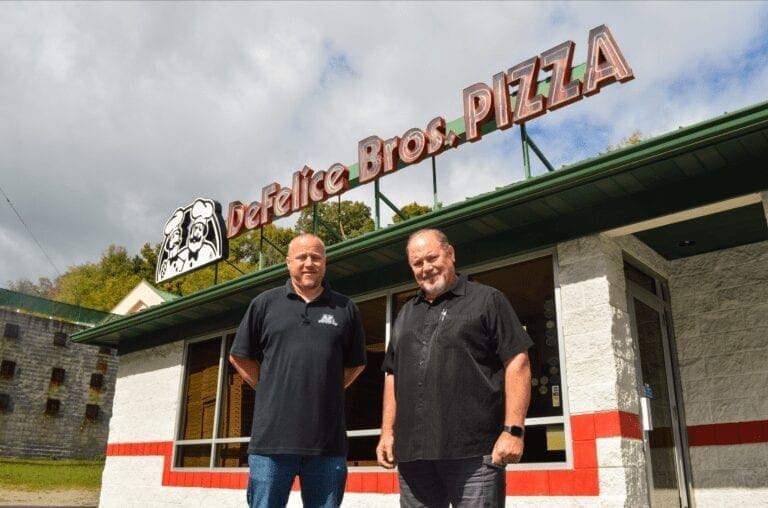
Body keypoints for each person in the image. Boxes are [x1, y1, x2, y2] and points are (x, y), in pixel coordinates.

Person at [376, 228, 532, 507]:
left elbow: (517, 362)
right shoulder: (405, 313)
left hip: (474, 455)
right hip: (414, 457)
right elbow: (392, 374)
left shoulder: (487, 300)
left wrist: (513, 430)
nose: (426, 268)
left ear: (451, 253)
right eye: (417, 263)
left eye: (432, 257)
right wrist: (387, 432)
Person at [229, 233, 367, 508]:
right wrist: (269, 386)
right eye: (301, 257)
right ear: (288, 262)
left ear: (325, 263)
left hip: (327, 445)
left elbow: (356, 363)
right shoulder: (265, 304)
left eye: (316, 257)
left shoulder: (345, 308)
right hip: (271, 444)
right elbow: (240, 356)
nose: (309, 263)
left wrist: (325, 388)